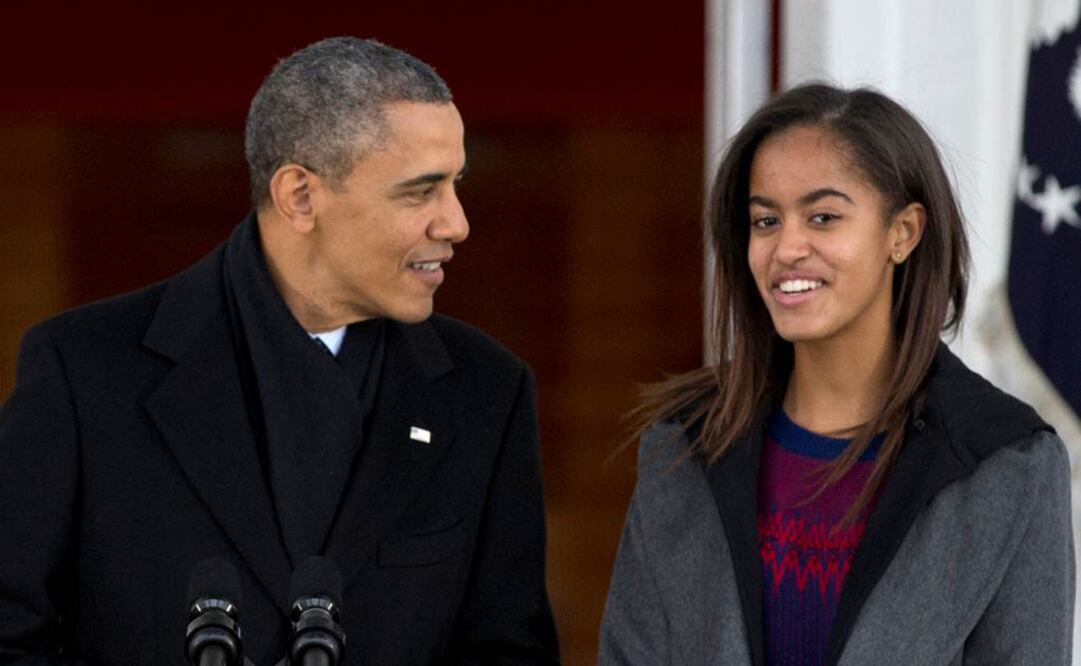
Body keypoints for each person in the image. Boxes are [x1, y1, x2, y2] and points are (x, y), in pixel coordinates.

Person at [0, 37, 559, 664]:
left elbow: (509, 650)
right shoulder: (86, 372)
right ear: (299, 196)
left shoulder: (485, 390)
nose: (455, 223)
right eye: (420, 191)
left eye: (455, 184)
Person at [599, 83, 1074, 665]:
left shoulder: (1007, 462)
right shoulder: (682, 447)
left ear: (902, 233)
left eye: (823, 217)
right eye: (766, 220)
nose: (787, 247)